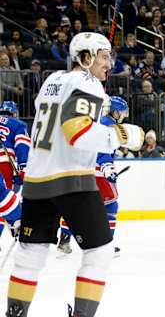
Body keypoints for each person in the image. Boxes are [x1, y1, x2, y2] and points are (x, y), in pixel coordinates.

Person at [5, 32, 144, 317]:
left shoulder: (51, 81)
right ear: (85, 58)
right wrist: (119, 134)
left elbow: (59, 122)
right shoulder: (88, 83)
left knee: (30, 256)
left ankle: (14, 313)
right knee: (100, 252)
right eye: (104, 57)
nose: (110, 64)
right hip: (71, 180)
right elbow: (76, 130)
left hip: (36, 181)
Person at [57, 96, 130, 257]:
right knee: (111, 205)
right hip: (97, 172)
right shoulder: (109, 126)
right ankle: (106, 245)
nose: (124, 116)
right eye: (122, 113)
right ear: (116, 112)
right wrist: (107, 168)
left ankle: (64, 239)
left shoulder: (96, 121)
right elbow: (103, 151)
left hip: (78, 170)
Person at [0, 101, 30, 241]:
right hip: (3, 162)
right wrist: (23, 169)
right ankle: (15, 221)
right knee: (2, 199)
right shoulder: (17, 124)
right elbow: (22, 146)